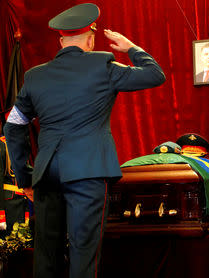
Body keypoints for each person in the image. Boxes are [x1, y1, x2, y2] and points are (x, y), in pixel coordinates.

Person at [3, 3, 165, 278]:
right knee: (83, 252)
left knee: (46, 255)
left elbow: (13, 126)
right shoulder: (104, 65)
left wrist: (25, 176)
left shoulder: (34, 76)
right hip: (88, 171)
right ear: (90, 40)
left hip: (46, 174)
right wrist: (130, 48)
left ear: (61, 40)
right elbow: (155, 74)